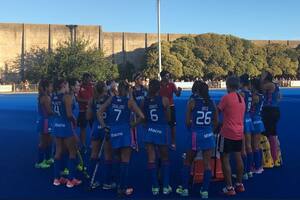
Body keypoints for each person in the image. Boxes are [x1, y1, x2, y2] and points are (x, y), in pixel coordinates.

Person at [98, 81, 145, 196]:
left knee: (117, 158)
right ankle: (122, 188)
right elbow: (142, 117)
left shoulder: (111, 99)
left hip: (113, 131)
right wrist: (132, 125)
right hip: (124, 132)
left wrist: (104, 126)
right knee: (125, 160)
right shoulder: (130, 102)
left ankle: (117, 182)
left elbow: (99, 112)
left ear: (118, 90)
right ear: (128, 90)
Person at [176, 81, 218, 198]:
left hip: (195, 135)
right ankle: (205, 190)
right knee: (207, 164)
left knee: (188, 161)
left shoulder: (192, 102)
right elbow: (215, 122)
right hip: (208, 135)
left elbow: (187, 122)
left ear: (197, 90)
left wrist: (194, 129)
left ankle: (185, 188)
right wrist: (209, 130)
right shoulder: (212, 102)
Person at [141, 79, 172, 195]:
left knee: (151, 158)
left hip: (149, 130)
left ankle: (154, 186)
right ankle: (165, 186)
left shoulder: (144, 101)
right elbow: (168, 118)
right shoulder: (164, 100)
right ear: (159, 88)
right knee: (165, 158)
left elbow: (143, 117)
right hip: (161, 130)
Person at [218, 76, 245, 196]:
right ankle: (239, 184)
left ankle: (229, 187)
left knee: (225, 158)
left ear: (228, 86)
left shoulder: (226, 98)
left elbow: (217, 110)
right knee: (238, 157)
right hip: (239, 132)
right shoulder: (241, 98)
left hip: (227, 132)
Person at [52, 80, 81, 188]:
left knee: (58, 151)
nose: (68, 87)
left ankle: (57, 178)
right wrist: (74, 121)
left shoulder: (54, 97)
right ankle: (71, 179)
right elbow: (69, 114)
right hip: (66, 126)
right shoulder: (67, 97)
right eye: (67, 85)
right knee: (72, 152)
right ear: (63, 85)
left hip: (57, 125)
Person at [86, 81, 115, 189]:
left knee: (94, 154)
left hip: (96, 128)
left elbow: (88, 117)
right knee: (108, 155)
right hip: (106, 127)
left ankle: (92, 180)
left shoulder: (92, 99)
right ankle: (107, 182)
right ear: (104, 88)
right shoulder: (110, 98)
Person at [260, 71, 281, 166]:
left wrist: (261, 79)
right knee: (273, 132)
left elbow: (259, 87)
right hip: (274, 110)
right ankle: (276, 157)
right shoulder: (275, 86)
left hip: (269, 110)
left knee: (268, 133)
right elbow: (280, 97)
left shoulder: (269, 85)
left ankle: (271, 157)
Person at [159, 70, 182, 149]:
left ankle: (173, 142)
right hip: (161, 107)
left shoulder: (172, 85)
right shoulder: (158, 85)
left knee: (172, 126)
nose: (168, 77)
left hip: (171, 106)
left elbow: (177, 94)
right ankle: (160, 140)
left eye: (169, 76)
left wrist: (179, 91)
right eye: (167, 76)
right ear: (162, 76)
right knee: (161, 124)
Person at [35, 79, 53, 169]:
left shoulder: (46, 96)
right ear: (46, 88)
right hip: (45, 121)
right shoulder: (45, 97)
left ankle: (48, 158)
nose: (52, 88)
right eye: (50, 86)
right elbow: (49, 111)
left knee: (49, 140)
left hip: (46, 121)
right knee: (43, 142)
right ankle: (40, 162)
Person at [239, 74, 254, 180]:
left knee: (243, 147)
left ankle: (244, 172)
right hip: (249, 118)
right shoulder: (250, 93)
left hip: (242, 119)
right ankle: (249, 170)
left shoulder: (241, 94)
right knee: (249, 146)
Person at [251, 78, 265, 173]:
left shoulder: (255, 97)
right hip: (258, 120)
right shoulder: (261, 95)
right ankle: (259, 164)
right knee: (257, 145)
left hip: (255, 121)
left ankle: (257, 166)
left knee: (254, 145)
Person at [77, 73, 93, 152]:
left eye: (89, 78)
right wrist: (87, 101)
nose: (89, 80)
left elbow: (95, 96)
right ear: (84, 78)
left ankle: (93, 143)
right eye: (87, 78)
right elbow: (78, 99)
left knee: (93, 127)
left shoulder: (92, 86)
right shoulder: (79, 87)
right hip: (83, 111)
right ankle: (82, 144)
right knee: (83, 128)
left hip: (91, 111)